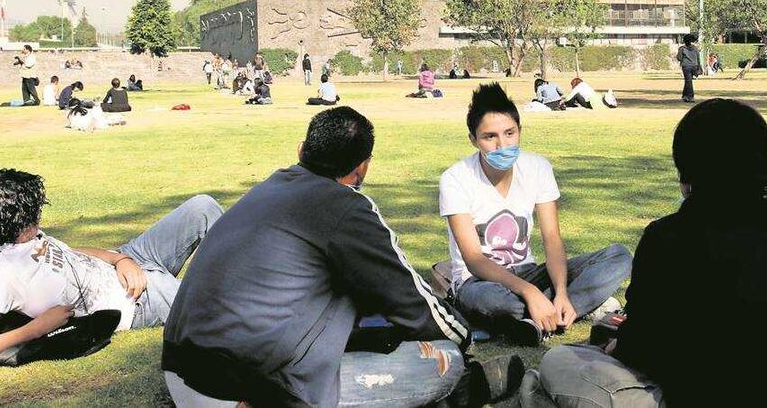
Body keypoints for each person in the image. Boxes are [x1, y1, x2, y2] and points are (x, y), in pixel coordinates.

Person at [162, 107, 522, 407]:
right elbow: (411, 302)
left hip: (180, 370)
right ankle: (466, 390)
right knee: (445, 359)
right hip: (243, 389)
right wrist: (463, 337)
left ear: (301, 150)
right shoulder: (346, 209)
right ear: (362, 167)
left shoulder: (269, 188)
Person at [522, 98, 767, 407]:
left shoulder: (670, 237)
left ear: (688, 170)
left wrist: (620, 345)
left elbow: (646, 345)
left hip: (705, 391)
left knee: (560, 360)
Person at [0, 169, 221, 368]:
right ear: (13, 219)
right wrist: (35, 329)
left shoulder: (24, 235)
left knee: (203, 206)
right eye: (33, 212)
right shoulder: (1, 272)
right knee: (217, 300)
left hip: (129, 257)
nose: (39, 216)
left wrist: (120, 259)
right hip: (135, 299)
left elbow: (70, 253)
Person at [440, 83, 632, 347]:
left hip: (528, 271)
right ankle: (569, 306)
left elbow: (552, 240)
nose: (502, 144)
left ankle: (554, 308)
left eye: (510, 133)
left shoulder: (537, 167)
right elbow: (473, 259)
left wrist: (562, 292)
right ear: (473, 139)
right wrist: (530, 292)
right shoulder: (455, 178)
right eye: (490, 137)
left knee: (619, 256)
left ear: (520, 131)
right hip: (480, 282)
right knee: (492, 301)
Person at [676, 34, 700, 102]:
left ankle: (690, 97)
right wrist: (699, 66)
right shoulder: (695, 48)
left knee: (688, 81)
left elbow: (679, 58)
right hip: (694, 65)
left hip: (686, 66)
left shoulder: (682, 48)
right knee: (688, 81)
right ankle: (685, 96)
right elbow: (698, 58)